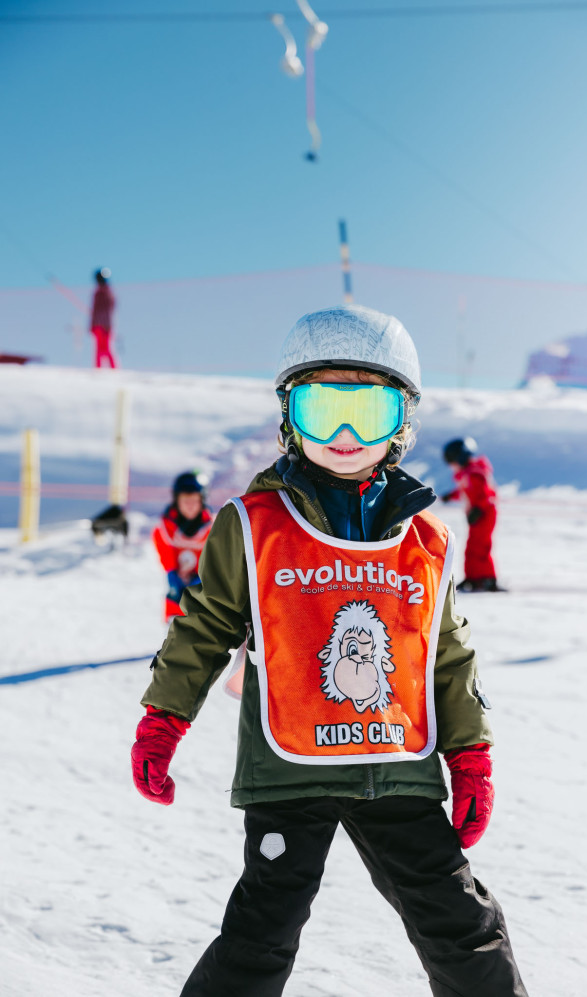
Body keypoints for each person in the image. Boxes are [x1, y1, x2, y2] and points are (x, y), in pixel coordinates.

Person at [131, 305, 528, 997]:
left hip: (397, 767)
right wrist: (164, 717)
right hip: (291, 773)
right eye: (322, 409)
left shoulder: (425, 539)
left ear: (401, 421)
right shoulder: (252, 524)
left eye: (368, 412)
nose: (344, 436)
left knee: (461, 923)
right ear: (289, 414)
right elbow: (203, 627)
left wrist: (470, 751)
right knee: (261, 932)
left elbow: (447, 652)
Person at [152, 471, 214, 622]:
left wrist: (201, 576)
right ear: (176, 501)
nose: (190, 506)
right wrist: (172, 572)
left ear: (201, 501)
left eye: (194, 500)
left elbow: (214, 556)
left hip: (202, 590)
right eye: (185, 501)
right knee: (175, 631)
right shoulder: (166, 529)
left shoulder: (211, 530)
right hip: (177, 589)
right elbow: (164, 550)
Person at [441, 438, 500, 593]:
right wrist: (450, 496)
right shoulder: (466, 473)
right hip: (477, 515)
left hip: (485, 515)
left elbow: (488, 494)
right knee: (471, 547)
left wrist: (478, 509)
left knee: (480, 546)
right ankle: (473, 578)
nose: (452, 467)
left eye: (452, 462)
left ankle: (488, 579)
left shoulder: (475, 473)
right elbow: (464, 491)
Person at [89, 267, 117, 368]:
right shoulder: (99, 293)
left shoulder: (107, 293)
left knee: (106, 348)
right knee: (99, 349)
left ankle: (113, 369)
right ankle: (99, 369)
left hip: (105, 325)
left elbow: (109, 309)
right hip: (99, 325)